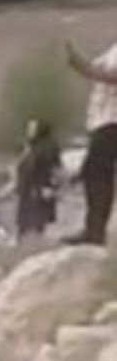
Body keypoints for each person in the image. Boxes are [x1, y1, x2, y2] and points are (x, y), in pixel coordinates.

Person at [66, 40, 117, 245]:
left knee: (97, 171)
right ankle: (94, 228)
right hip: (104, 118)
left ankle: (95, 231)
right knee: (95, 171)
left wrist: (81, 65)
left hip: (113, 120)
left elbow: (110, 76)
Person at [14, 120, 64, 241]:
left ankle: (32, 243)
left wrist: (50, 186)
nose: (29, 131)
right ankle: (25, 242)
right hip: (28, 188)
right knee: (26, 220)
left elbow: (53, 169)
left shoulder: (48, 147)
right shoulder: (31, 147)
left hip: (38, 188)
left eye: (32, 128)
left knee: (35, 220)